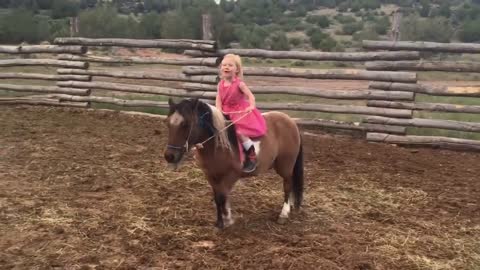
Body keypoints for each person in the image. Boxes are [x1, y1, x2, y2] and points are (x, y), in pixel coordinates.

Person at [216, 54, 267, 173]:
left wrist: (251, 105)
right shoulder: (220, 85)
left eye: (230, 65)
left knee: (238, 132)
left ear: (237, 69)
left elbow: (250, 96)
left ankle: (251, 155)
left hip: (239, 113)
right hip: (225, 112)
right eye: (224, 65)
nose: (226, 67)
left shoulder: (239, 84)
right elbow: (218, 99)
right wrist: (218, 110)